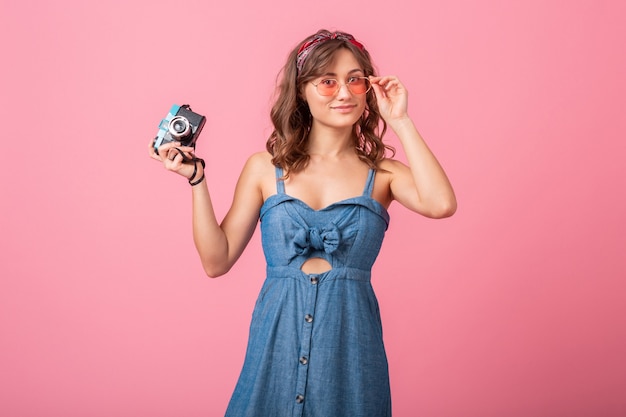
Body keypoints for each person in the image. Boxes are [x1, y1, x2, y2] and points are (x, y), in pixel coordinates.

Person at [149, 29, 456, 417]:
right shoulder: (264, 169)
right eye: (327, 81)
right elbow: (217, 260)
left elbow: (441, 203)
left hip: (350, 352)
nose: (344, 93)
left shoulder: (383, 175)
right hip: (274, 345)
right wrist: (197, 180)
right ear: (302, 91)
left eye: (355, 79)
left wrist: (402, 120)